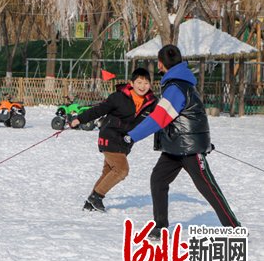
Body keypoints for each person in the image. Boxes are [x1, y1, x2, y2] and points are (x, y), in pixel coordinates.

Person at [126, 45, 241, 238]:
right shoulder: (181, 83)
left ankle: (234, 228)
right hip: (174, 146)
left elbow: (158, 118)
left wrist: (132, 136)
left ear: (160, 64)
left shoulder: (176, 87)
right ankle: (160, 226)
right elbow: (193, 116)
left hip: (188, 149)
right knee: (158, 179)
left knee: (207, 186)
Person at [70, 68, 157, 212]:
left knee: (108, 172)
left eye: (146, 83)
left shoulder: (151, 103)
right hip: (109, 137)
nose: (142, 86)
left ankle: (90, 202)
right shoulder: (119, 97)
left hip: (125, 142)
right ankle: (97, 197)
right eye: (139, 82)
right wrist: (79, 119)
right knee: (121, 170)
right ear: (131, 83)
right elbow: (98, 110)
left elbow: (159, 119)